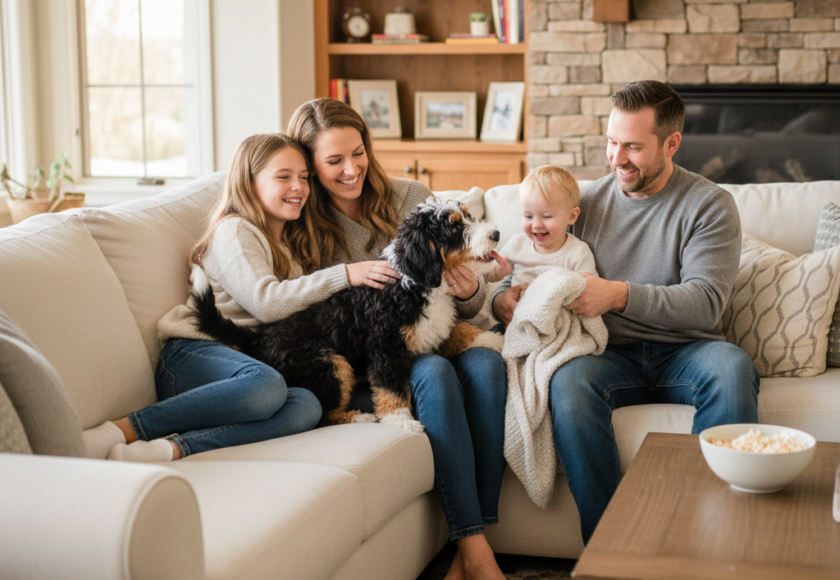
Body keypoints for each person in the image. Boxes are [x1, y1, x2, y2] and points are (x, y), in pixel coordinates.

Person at [492, 80, 760, 544]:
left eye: (633, 146)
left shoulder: (709, 205)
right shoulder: (584, 204)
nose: (617, 158)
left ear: (671, 143)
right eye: (612, 142)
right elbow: (525, 259)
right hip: (607, 352)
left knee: (732, 368)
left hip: (686, 351)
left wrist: (618, 295)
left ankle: (713, 540)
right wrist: (501, 299)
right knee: (568, 383)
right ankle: (610, 548)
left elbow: (706, 302)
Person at [288, 98, 508, 580]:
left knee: (489, 366)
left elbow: (466, 297)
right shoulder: (300, 224)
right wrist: (347, 275)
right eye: (334, 160)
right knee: (434, 373)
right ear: (309, 166)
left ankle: (478, 534)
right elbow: (299, 308)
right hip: (373, 354)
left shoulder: (411, 196)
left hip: (434, 326)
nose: (352, 170)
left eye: (358, 153)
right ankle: (474, 548)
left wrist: (470, 289)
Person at [85, 133, 354, 463]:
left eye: (304, 177)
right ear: (249, 183)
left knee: (308, 405)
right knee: (267, 385)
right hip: (194, 356)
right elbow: (267, 303)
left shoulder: (289, 245)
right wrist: (345, 275)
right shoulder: (236, 231)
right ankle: (122, 429)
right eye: (284, 177)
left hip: (246, 368)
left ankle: (172, 448)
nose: (298, 187)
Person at [488, 164, 598, 333]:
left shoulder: (577, 252)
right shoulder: (517, 243)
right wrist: (497, 271)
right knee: (490, 340)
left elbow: (589, 291)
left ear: (571, 216)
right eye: (528, 216)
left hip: (557, 325)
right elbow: (490, 275)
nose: (536, 225)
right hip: (517, 321)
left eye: (546, 216)